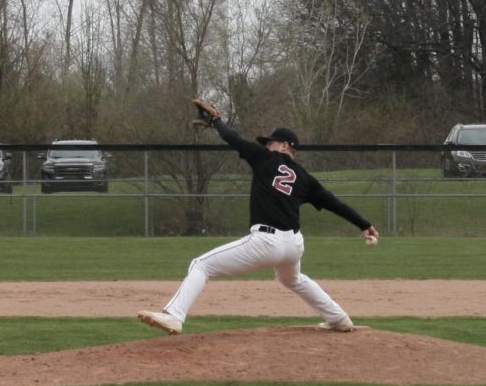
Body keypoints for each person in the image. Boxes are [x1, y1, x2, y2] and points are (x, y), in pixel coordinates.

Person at [138, 98, 380, 334]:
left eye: (271, 142)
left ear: (285, 145)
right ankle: (338, 318)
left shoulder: (265, 158)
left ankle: (174, 315)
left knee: (201, 264)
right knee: (291, 279)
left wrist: (217, 122)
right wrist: (365, 225)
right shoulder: (305, 178)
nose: (267, 146)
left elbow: (233, 139)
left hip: (266, 241)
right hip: (294, 244)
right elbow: (334, 204)